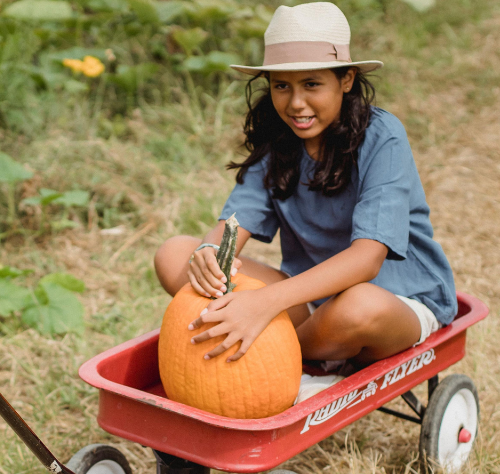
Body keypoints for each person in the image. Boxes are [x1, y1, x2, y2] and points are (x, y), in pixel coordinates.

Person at [153, 2, 456, 400]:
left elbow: (367, 259)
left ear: (346, 79)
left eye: (311, 84)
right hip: (309, 301)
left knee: (357, 306)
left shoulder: (383, 137)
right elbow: (233, 225)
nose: (295, 103)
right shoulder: (278, 143)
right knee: (175, 254)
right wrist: (211, 253)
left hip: (396, 300)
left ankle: (278, 359)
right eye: (282, 85)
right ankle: (282, 353)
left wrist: (263, 304)